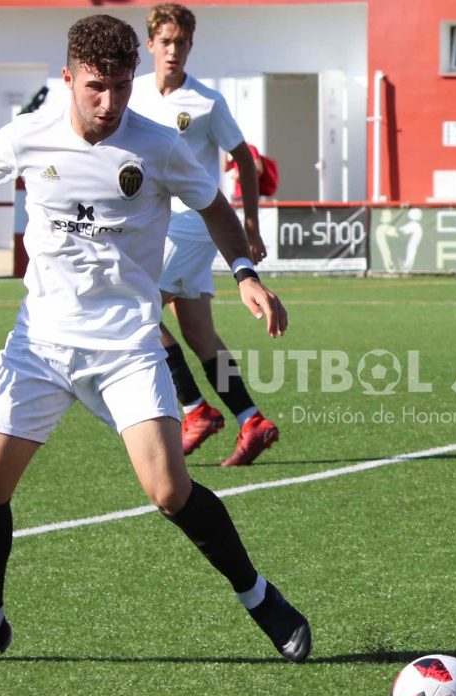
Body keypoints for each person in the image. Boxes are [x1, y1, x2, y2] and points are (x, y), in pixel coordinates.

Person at [0, 14, 310, 664]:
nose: (109, 102)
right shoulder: (27, 134)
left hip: (127, 347)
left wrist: (247, 274)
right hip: (40, 345)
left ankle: (258, 595)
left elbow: (214, 205)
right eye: (95, 87)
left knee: (170, 492)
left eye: (120, 87)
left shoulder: (158, 143)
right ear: (67, 79)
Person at [130, 3, 279, 465]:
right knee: (198, 333)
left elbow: (246, 162)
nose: (174, 51)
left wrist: (250, 225)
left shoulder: (207, 102)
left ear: (190, 46)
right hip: (153, 223)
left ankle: (194, 409)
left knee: (132, 310)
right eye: (166, 41)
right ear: (151, 44)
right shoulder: (131, 94)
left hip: (192, 223)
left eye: (182, 43)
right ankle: (251, 420)